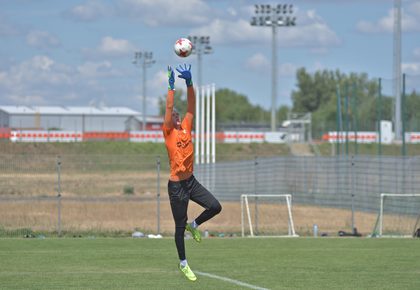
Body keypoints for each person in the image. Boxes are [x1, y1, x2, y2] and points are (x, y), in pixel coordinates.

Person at [163, 64, 222, 282]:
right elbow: (169, 108)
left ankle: (194, 225)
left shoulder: (186, 125)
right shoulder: (168, 131)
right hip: (176, 187)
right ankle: (183, 264)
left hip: (191, 182)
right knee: (179, 228)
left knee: (216, 206)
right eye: (174, 115)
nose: (176, 115)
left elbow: (191, 105)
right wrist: (170, 87)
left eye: (178, 115)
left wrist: (188, 83)